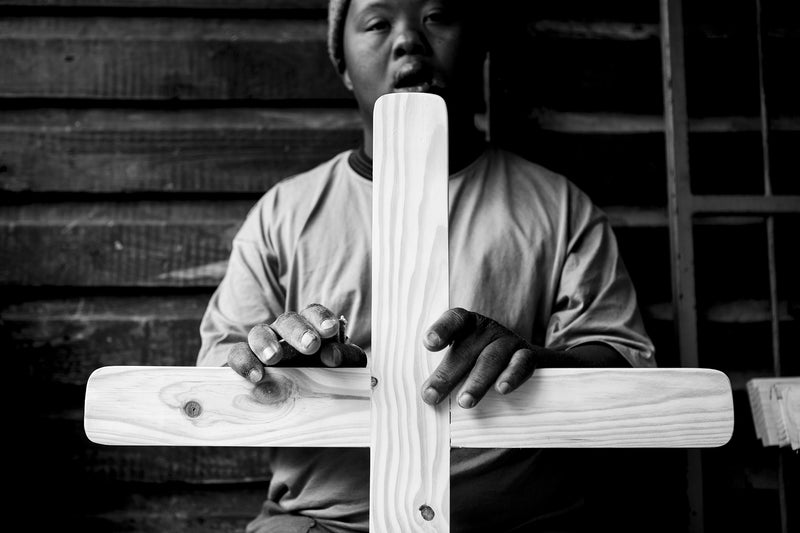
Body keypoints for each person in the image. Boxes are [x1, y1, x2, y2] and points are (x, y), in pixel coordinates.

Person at [197, 0, 655, 531]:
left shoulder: (559, 207)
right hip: (321, 525)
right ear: (342, 64)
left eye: (437, 15)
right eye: (375, 22)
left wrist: (535, 360)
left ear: (481, 49)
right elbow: (218, 371)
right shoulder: (283, 213)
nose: (409, 39)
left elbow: (625, 362)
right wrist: (279, 358)